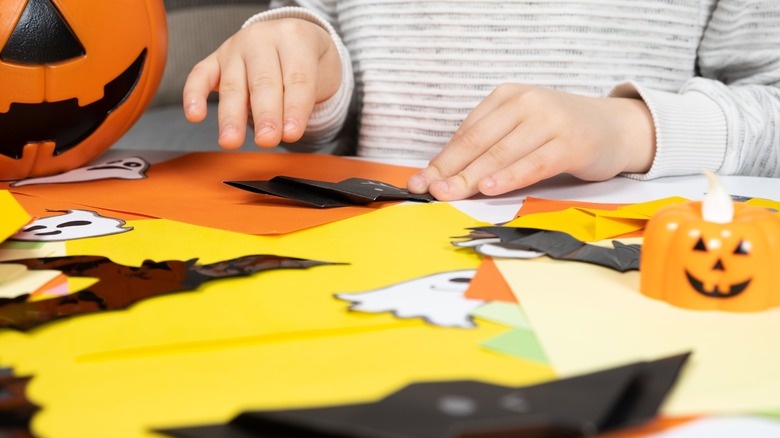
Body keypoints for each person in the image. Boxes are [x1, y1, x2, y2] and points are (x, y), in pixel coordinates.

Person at [183, 1, 780, 201]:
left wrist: (630, 129)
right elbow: (332, 130)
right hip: (370, 265)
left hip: (626, 283)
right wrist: (312, 79)